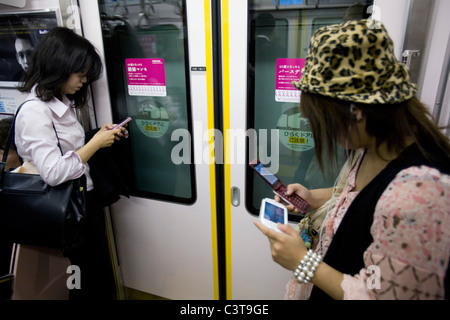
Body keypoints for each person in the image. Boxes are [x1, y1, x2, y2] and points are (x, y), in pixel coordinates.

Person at [254, 19, 450, 300]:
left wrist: (303, 262)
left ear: (356, 111)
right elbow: (357, 200)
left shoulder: (422, 194)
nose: (322, 132)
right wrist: (313, 198)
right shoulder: (373, 146)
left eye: (324, 121)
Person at [15, 27, 126, 300]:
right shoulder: (34, 113)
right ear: (59, 68)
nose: (84, 81)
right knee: (80, 280)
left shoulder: (58, 103)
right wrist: (95, 144)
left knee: (96, 274)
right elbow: (53, 172)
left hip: (82, 202)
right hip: (63, 210)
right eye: (81, 75)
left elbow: (68, 150)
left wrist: (98, 135)